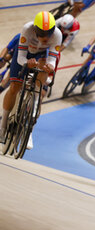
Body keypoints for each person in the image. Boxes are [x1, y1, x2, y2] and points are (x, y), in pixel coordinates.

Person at [0, 11, 62, 149]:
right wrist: (27, 63)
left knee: (38, 92)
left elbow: (52, 59)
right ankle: (3, 126)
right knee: (15, 87)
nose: (45, 38)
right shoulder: (27, 29)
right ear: (35, 29)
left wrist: (49, 67)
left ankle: (29, 131)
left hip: (41, 56)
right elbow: (20, 57)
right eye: (42, 34)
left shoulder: (57, 35)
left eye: (48, 34)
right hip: (24, 54)